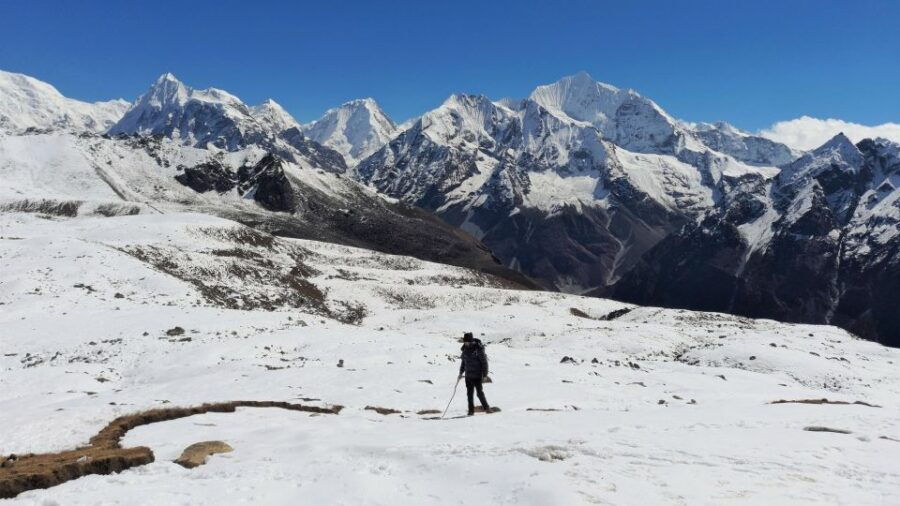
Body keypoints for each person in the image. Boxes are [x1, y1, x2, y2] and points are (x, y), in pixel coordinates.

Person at [458, 332, 491, 416]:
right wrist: (460, 373)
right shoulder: (465, 349)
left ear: (471, 341)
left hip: (477, 375)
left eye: (466, 342)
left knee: (479, 393)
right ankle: (471, 411)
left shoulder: (478, 349)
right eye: (464, 342)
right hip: (468, 376)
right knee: (469, 394)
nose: (465, 343)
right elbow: (463, 363)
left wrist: (485, 375)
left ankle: (487, 408)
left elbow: (484, 363)